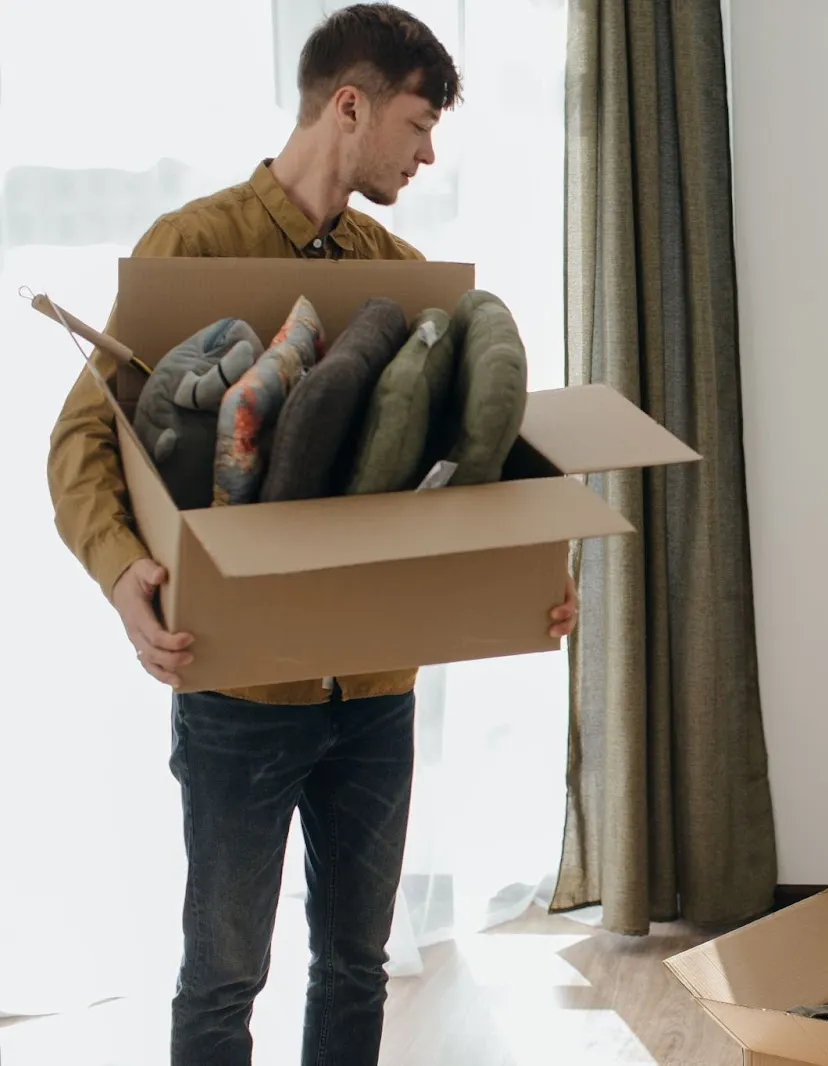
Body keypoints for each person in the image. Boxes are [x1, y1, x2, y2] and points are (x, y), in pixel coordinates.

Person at [44, 6, 577, 1065]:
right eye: (419, 125)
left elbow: (453, 476)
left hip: (376, 692)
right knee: (223, 974)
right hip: (240, 692)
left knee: (356, 965)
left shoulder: (404, 275)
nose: (429, 153)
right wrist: (122, 578)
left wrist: (529, 581)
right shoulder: (194, 246)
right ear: (350, 104)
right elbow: (80, 440)